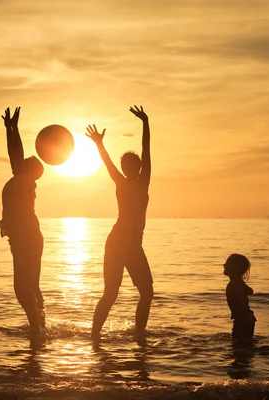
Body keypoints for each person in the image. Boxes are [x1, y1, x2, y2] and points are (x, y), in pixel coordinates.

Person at [86, 105, 153, 339]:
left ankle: (138, 334)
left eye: (132, 166)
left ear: (139, 168)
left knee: (146, 292)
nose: (128, 169)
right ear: (124, 168)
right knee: (113, 293)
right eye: (125, 166)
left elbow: (147, 150)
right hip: (121, 242)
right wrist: (99, 144)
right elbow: (108, 164)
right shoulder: (123, 182)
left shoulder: (141, 181)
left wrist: (145, 123)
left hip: (129, 243)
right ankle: (95, 335)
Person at [0, 107, 46, 337]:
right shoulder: (21, 180)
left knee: (22, 287)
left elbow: (14, 153)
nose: (19, 162)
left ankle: (37, 329)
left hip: (27, 237)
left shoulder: (25, 180)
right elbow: (13, 153)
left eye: (24, 162)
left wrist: (13, 128)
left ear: (30, 170)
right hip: (28, 237)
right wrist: (10, 129)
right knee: (31, 285)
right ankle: (41, 326)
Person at [223, 253, 256, 342]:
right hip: (248, 318)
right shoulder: (239, 282)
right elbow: (251, 291)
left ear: (234, 268)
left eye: (227, 263)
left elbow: (240, 302)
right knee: (245, 344)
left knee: (239, 345)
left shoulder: (234, 284)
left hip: (242, 319)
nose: (224, 265)